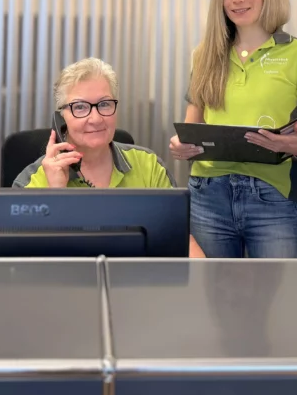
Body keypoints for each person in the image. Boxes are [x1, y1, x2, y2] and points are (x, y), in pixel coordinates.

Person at [169, 0, 297, 258]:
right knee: (210, 288)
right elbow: (191, 128)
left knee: (279, 290)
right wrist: (181, 145)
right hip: (208, 194)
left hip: (273, 197)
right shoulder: (205, 54)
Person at [14, 57, 205, 258]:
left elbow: (181, 239)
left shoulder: (148, 166)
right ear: (61, 117)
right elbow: (24, 258)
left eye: (104, 104)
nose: (96, 119)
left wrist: (205, 276)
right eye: (80, 107)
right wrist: (55, 194)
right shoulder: (34, 179)